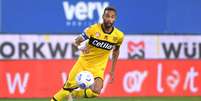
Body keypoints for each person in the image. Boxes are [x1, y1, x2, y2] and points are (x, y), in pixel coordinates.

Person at [51, 6, 124, 101]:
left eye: (112, 17)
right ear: (103, 17)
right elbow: (77, 40)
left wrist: (112, 70)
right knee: (66, 89)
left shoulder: (119, 36)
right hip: (83, 64)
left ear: (115, 18)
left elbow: (116, 51)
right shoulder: (93, 29)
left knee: (96, 91)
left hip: (98, 68)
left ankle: (74, 94)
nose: (109, 19)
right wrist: (81, 48)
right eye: (107, 16)